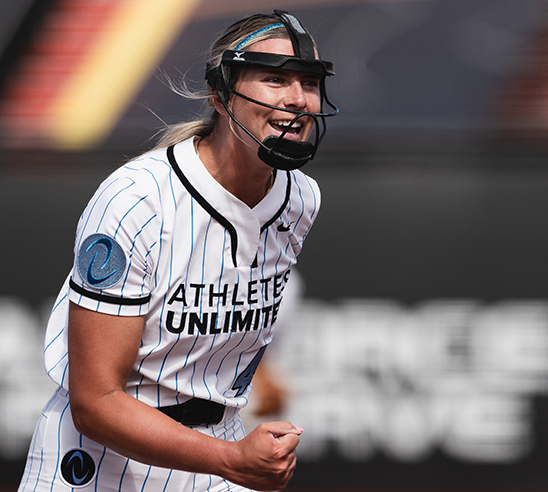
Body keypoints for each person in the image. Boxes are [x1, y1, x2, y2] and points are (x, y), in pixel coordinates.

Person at [18, 10, 338, 492]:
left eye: (309, 82)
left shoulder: (301, 199)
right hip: (104, 463)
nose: (297, 99)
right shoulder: (136, 200)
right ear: (221, 93)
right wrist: (230, 460)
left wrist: (233, 452)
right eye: (274, 79)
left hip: (222, 444)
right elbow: (96, 400)